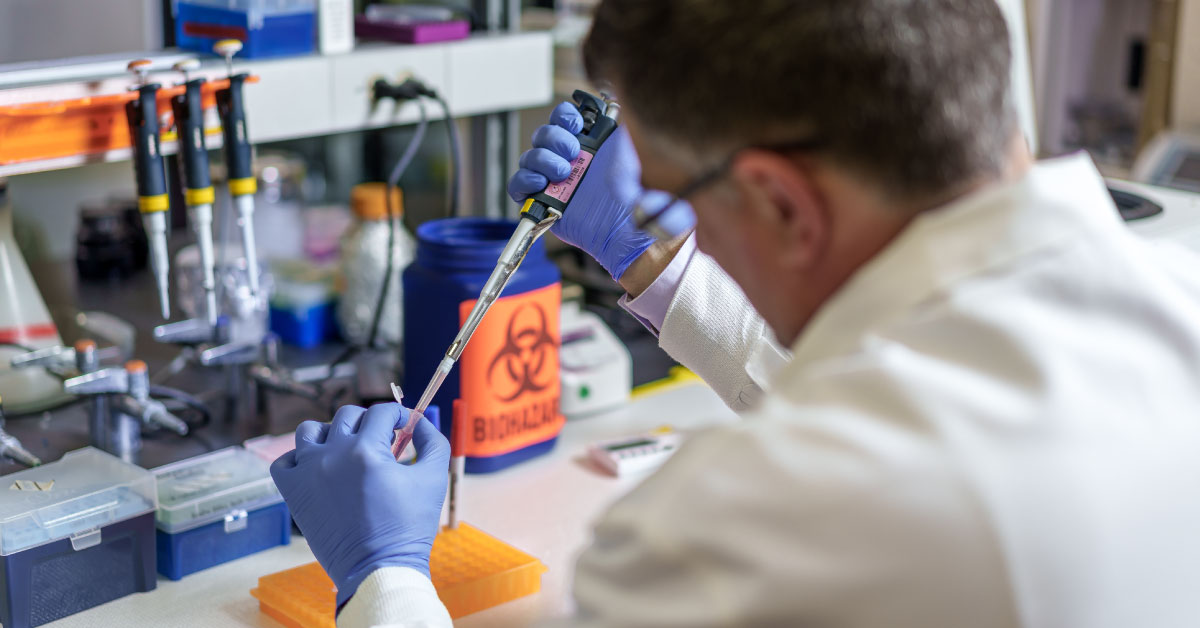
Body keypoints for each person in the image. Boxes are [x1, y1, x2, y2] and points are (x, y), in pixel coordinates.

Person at [269, 1, 1200, 626]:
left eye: (680, 195)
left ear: (783, 203)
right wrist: (646, 258)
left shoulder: (733, 528)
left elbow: (854, 452)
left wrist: (384, 574)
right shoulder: (1172, 302)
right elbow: (875, 385)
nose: (676, 217)